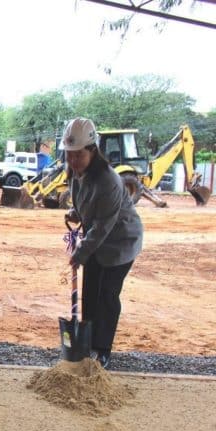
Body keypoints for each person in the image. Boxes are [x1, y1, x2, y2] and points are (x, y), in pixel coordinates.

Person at [62, 117, 143, 369]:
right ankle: (86, 345)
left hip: (121, 242)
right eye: (70, 155)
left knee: (107, 295)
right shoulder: (76, 174)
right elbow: (87, 207)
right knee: (90, 294)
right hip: (98, 241)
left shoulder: (108, 180)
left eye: (79, 155)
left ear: (92, 151)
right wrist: (77, 214)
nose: (74, 161)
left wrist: (80, 253)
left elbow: (102, 226)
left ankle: (102, 350)